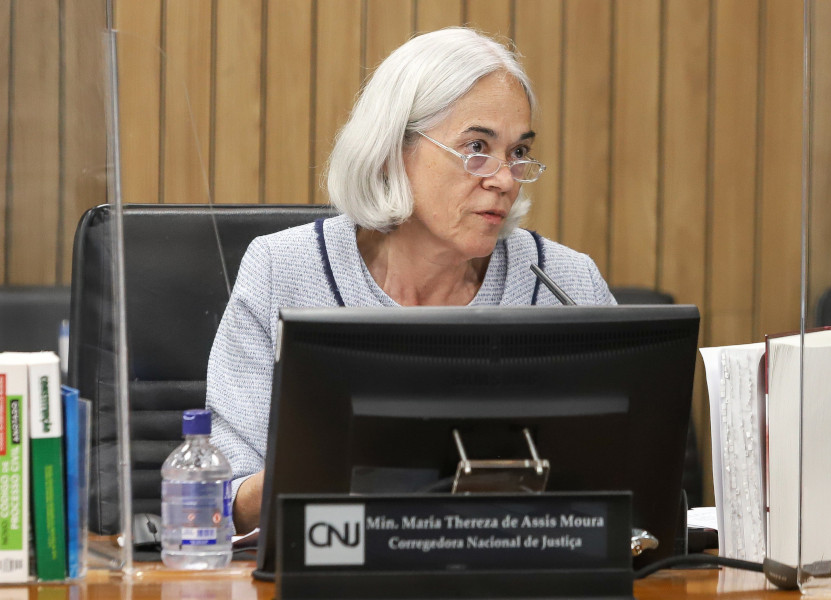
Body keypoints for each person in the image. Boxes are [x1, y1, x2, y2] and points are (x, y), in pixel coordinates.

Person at [206, 27, 617, 533]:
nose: (505, 179)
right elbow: (215, 498)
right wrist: (328, 468)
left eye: (517, 153)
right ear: (393, 149)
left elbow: (627, 483)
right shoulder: (283, 270)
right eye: (477, 147)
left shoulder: (565, 281)